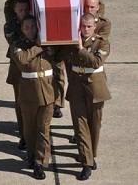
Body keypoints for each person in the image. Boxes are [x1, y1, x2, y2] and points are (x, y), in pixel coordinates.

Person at [55, 13, 111, 180]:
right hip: (77, 87)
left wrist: (80, 49)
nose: (85, 30)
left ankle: (91, 155)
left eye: (89, 26)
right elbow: (57, 56)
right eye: (83, 26)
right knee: (80, 126)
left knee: (95, 124)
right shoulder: (72, 42)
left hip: (95, 88)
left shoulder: (102, 42)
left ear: (94, 27)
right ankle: (86, 162)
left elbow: (96, 62)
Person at [10, 15, 57, 180]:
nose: (30, 29)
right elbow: (22, 61)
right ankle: (31, 154)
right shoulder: (17, 46)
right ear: (22, 30)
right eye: (27, 27)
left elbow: (61, 55)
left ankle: (40, 163)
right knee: (29, 129)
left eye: (33, 26)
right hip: (28, 94)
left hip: (47, 92)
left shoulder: (48, 44)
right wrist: (39, 45)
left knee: (43, 129)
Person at [4, 0, 30, 150]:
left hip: (35, 69)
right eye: (20, 10)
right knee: (20, 103)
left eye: (26, 9)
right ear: (14, 10)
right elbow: (17, 47)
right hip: (18, 68)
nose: (23, 12)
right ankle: (24, 135)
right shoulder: (10, 26)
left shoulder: (36, 22)